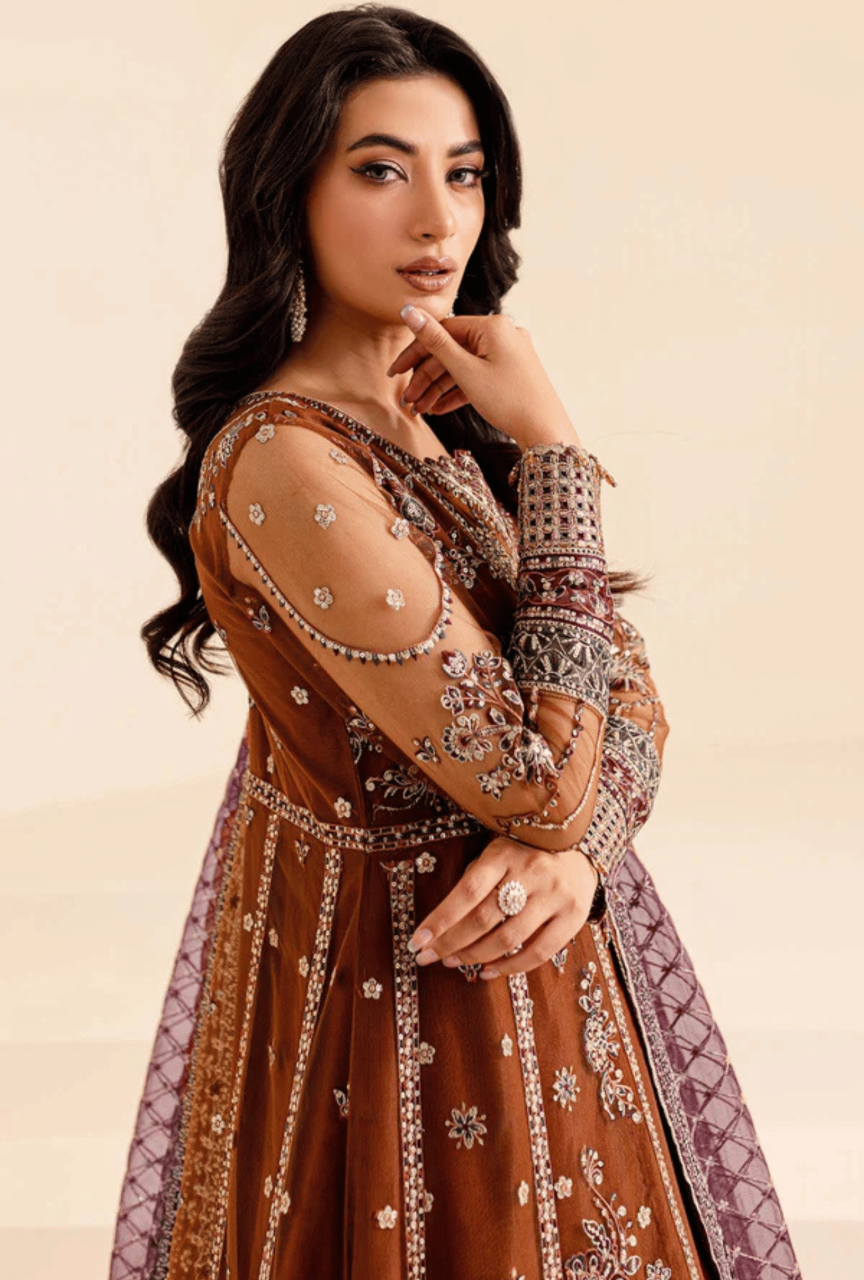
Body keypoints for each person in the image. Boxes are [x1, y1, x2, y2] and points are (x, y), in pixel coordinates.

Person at [109, 7, 801, 1280]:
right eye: (382, 168)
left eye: (464, 171)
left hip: (537, 955)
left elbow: (629, 692)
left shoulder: (436, 420)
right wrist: (554, 461)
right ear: (287, 192)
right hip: (405, 1004)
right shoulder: (286, 461)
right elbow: (539, 768)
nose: (437, 219)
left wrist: (579, 855)